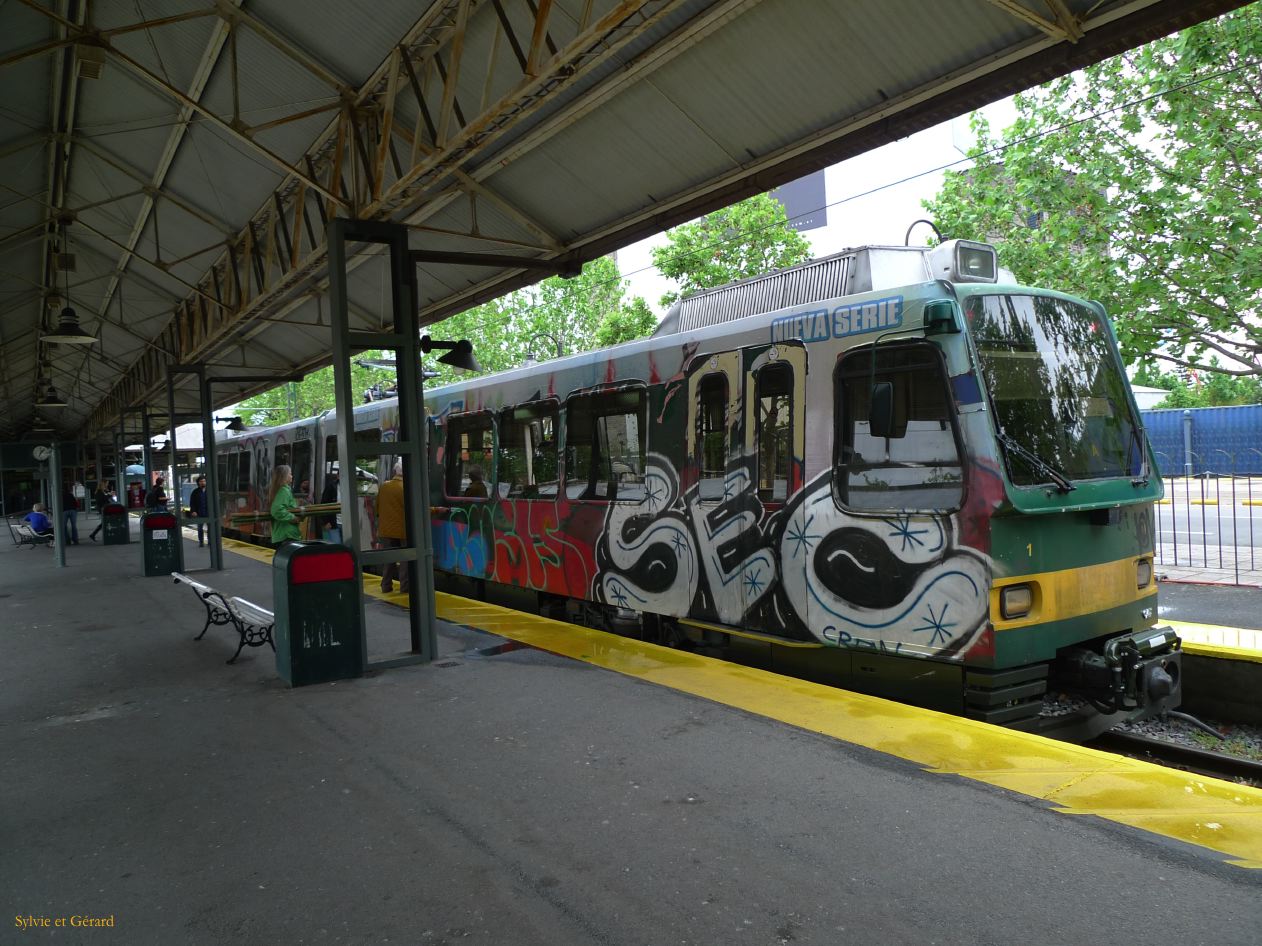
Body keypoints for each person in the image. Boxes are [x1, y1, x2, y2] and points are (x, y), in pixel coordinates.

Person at [375, 460, 408, 594]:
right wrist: (435, 510)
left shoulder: (384, 487)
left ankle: (386, 586)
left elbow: (378, 508)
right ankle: (405, 588)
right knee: (406, 560)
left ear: (395, 472)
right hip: (403, 530)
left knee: (389, 559)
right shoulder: (407, 488)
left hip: (386, 530)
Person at [267, 464, 303, 546]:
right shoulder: (284, 491)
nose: (292, 476)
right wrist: (293, 518)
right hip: (286, 535)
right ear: (284, 476)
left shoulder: (281, 490)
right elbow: (276, 510)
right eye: (290, 474)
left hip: (283, 535)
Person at [319, 468, 341, 542]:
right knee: (336, 547)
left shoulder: (352, 488)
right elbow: (323, 504)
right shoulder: (331, 487)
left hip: (348, 525)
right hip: (334, 523)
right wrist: (326, 521)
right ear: (338, 476)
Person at [188, 475, 209, 547]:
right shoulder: (195, 492)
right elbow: (192, 502)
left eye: (204, 481)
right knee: (200, 528)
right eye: (201, 481)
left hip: (209, 513)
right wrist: (193, 511)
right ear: (198, 483)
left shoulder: (210, 491)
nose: (203, 483)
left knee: (210, 529)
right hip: (199, 513)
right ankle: (201, 542)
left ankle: (210, 542)